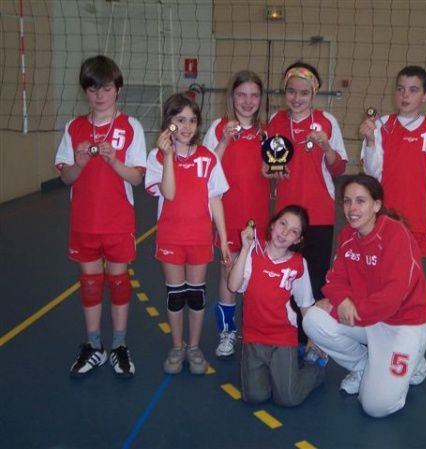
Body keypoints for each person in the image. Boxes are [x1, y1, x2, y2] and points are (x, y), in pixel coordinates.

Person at [302, 174, 426, 418]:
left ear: (376, 205)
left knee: (375, 408)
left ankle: (415, 364)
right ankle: (364, 365)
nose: (352, 209)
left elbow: (393, 297)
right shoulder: (348, 236)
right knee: (312, 319)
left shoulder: (396, 235)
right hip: (368, 317)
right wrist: (341, 301)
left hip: (403, 324)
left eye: (360, 201)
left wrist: (351, 309)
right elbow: (335, 279)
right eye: (347, 201)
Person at [55, 55, 147, 378]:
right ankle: (94, 345)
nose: (99, 94)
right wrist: (79, 164)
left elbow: (137, 178)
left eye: (106, 87)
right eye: (92, 88)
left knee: (119, 282)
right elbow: (65, 177)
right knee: (91, 284)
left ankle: (119, 345)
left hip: (118, 221)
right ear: (85, 91)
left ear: (117, 89)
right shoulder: (74, 127)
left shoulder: (130, 127)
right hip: (84, 221)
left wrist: (114, 162)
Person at [145, 93, 231, 375]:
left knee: (196, 296)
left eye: (192, 120)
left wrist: (225, 240)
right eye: (180, 119)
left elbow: (215, 199)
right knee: (175, 296)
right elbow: (168, 193)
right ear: (168, 122)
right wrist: (170, 155)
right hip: (171, 237)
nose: (187, 126)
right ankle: (177, 346)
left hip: (199, 238)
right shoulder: (156, 157)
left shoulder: (208, 158)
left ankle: (193, 347)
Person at [266, 61, 348, 342]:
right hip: (287, 216)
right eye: (291, 91)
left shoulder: (327, 122)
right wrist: (275, 170)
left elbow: (339, 168)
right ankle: (287, 330)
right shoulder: (276, 122)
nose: (297, 98)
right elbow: (267, 166)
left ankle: (313, 335)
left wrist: (326, 147)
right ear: (284, 92)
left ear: (314, 94)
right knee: (286, 274)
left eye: (304, 93)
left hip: (320, 214)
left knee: (314, 276)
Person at [228, 206, 325, 406]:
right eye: (283, 224)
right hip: (253, 337)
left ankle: (314, 371)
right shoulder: (253, 253)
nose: (285, 232)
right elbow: (233, 285)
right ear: (272, 224)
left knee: (289, 399)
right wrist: (245, 249)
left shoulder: (298, 264)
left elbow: (306, 305)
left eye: (294, 231)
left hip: (282, 337)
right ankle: (278, 375)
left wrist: (313, 339)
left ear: (297, 240)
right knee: (255, 396)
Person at [202, 70, 270, 358]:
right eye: (241, 94)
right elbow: (203, 167)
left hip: (260, 215)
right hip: (228, 215)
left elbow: (273, 169)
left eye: (254, 95)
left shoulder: (266, 132)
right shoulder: (219, 127)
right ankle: (227, 331)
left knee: (257, 275)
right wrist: (224, 142)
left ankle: (253, 330)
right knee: (229, 272)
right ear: (232, 97)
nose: (247, 101)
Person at [360, 65, 426, 257]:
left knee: (410, 271)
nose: (405, 95)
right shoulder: (381, 125)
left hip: (417, 217)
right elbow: (371, 173)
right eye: (400, 89)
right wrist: (369, 141)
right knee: (381, 267)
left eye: (413, 90)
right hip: (384, 214)